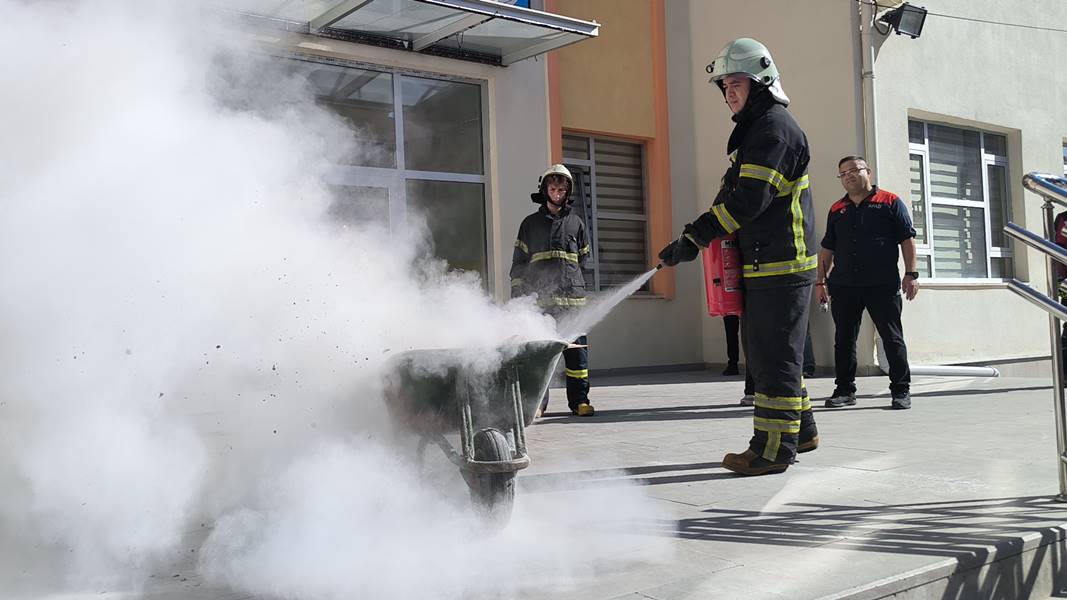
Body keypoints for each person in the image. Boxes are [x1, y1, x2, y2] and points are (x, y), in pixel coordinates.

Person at [658, 38, 818, 475]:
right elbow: (733, 191)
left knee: (772, 358)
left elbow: (748, 201)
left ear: (762, 82)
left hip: (781, 263)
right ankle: (800, 432)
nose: (728, 92)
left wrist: (697, 237)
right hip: (770, 259)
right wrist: (696, 234)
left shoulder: (773, 130)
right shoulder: (758, 129)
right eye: (724, 85)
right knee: (775, 352)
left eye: (736, 83)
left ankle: (771, 449)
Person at [815, 156, 918, 410]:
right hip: (844, 284)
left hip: (881, 283)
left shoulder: (890, 202)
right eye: (843, 173)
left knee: (891, 337)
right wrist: (820, 282)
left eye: (854, 170)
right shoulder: (837, 208)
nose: (848, 176)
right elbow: (827, 249)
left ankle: (901, 390)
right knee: (845, 339)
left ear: (867, 172)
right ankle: (845, 390)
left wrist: (911, 274)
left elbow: (907, 239)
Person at [510, 164, 595, 417]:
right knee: (540, 358)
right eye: (553, 188)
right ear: (545, 190)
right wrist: (519, 296)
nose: (557, 193)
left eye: (562, 189)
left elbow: (583, 259)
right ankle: (538, 404)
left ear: (568, 191)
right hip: (542, 306)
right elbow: (519, 263)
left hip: (573, 303)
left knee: (577, 359)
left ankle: (580, 401)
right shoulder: (530, 224)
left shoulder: (576, 224)